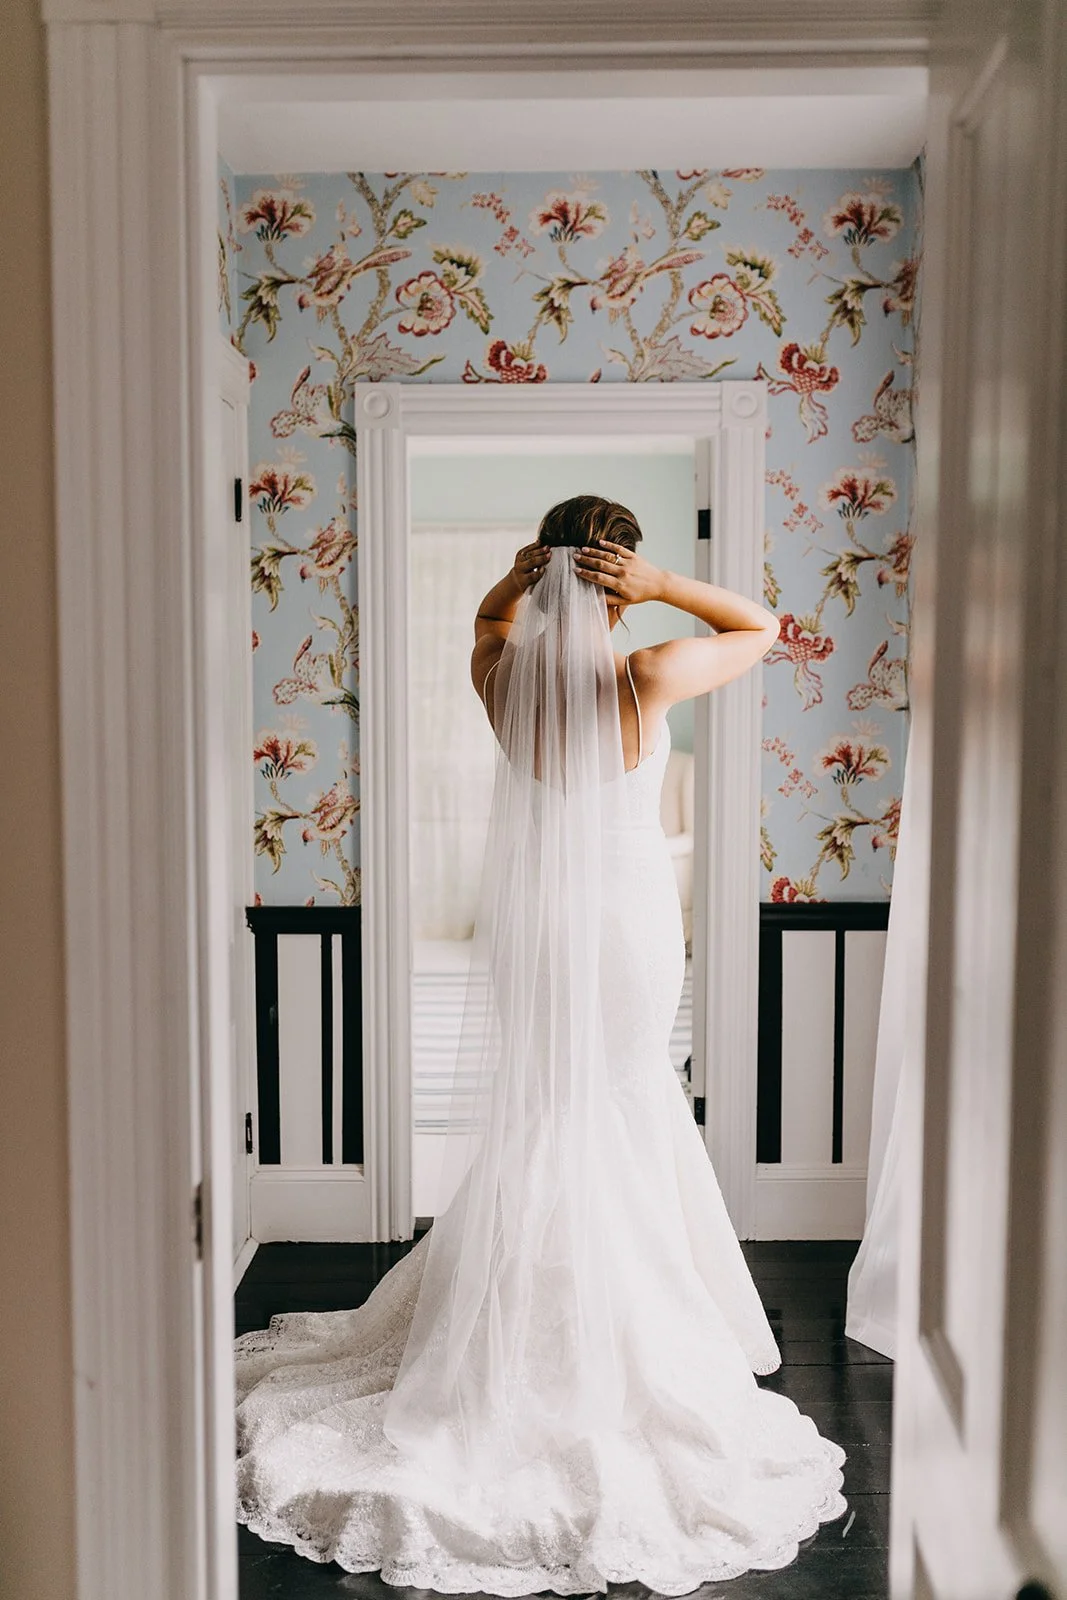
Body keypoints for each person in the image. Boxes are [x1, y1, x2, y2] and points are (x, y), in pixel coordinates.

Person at [234, 495, 847, 1593]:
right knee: (623, 1096)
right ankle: (608, 1329)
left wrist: (521, 579)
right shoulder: (646, 673)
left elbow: (482, 623)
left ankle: (524, 1315)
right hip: (623, 927)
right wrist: (657, 589)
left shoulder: (503, 678)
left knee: (550, 1109)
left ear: (545, 570)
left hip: (534, 931)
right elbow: (761, 630)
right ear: (618, 571)